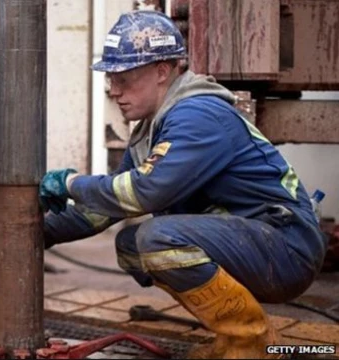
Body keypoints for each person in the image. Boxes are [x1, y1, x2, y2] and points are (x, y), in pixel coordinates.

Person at [36, 10, 326, 359]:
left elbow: (145, 191)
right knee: (130, 245)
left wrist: (70, 182)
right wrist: (37, 233)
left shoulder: (198, 115)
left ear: (162, 71)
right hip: (255, 240)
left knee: (156, 239)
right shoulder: (152, 127)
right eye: (111, 79)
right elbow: (106, 208)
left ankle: (249, 344)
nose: (114, 91)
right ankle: (234, 337)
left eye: (124, 79)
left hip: (287, 247)